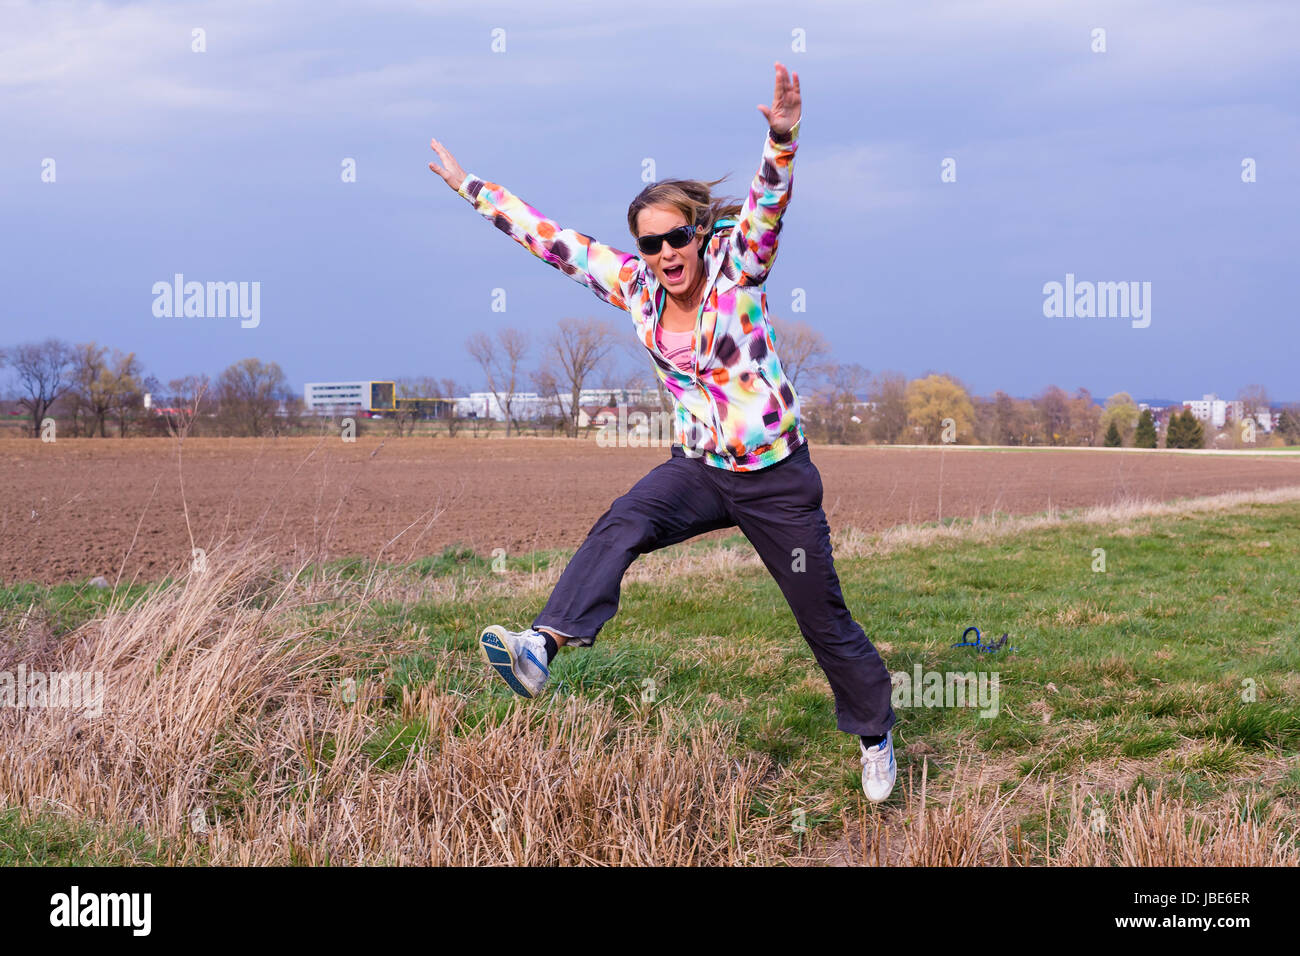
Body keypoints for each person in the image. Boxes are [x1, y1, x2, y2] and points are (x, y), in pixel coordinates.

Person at [428, 62, 897, 801]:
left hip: (775, 478)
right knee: (625, 520)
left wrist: (781, 138)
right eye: (650, 245)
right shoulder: (635, 286)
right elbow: (552, 242)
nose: (665, 255)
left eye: (676, 238)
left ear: (701, 233)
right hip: (701, 469)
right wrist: (472, 189)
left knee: (821, 616)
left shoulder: (739, 271)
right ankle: (542, 647)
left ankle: (874, 732)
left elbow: (768, 206)